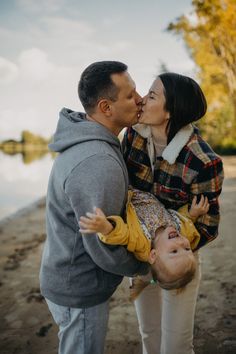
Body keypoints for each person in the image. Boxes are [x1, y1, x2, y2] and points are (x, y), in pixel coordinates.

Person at [39, 61, 149, 354]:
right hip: (79, 290)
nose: (140, 98)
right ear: (106, 107)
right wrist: (146, 265)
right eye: (130, 94)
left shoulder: (89, 143)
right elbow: (102, 246)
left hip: (65, 277)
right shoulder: (97, 161)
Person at [122, 72, 224, 354]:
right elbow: (125, 190)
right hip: (143, 254)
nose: (142, 99)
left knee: (176, 346)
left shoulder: (203, 161)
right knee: (149, 337)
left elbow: (208, 226)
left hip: (179, 257)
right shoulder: (133, 136)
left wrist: (170, 247)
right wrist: (143, 249)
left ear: (170, 112)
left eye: (152, 95)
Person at [79, 188, 209, 295]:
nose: (182, 243)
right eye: (187, 249)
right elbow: (182, 220)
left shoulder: (141, 242)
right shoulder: (179, 231)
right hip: (146, 188)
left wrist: (105, 227)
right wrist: (193, 214)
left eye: (174, 251)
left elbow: (123, 234)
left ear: (153, 255)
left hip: (129, 191)